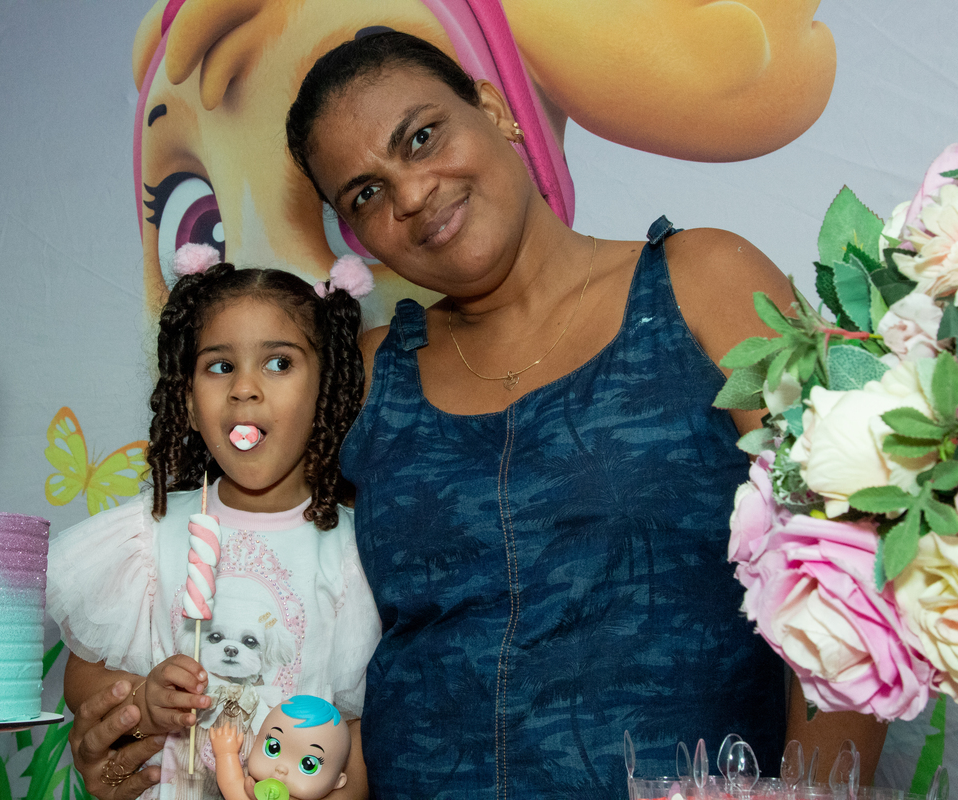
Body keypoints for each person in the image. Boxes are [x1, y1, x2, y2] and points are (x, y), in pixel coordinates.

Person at [278, 30, 888, 800]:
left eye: (422, 137)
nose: (411, 195)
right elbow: (253, 573)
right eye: (365, 194)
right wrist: (140, 702)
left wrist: (810, 793)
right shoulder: (367, 377)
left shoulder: (701, 287)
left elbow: (857, 562)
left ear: (492, 109)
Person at [48, 244, 381, 800]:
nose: (244, 387)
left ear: (326, 390)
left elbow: (356, 731)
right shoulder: (148, 533)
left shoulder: (353, 551)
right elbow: (81, 682)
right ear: (187, 398)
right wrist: (142, 698)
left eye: (279, 363)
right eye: (220, 366)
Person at [210, 695, 352, 800]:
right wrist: (226, 754)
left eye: (308, 764)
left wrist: (226, 754)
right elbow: (231, 784)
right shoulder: (255, 793)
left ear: (338, 781)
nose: (281, 768)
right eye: (273, 747)